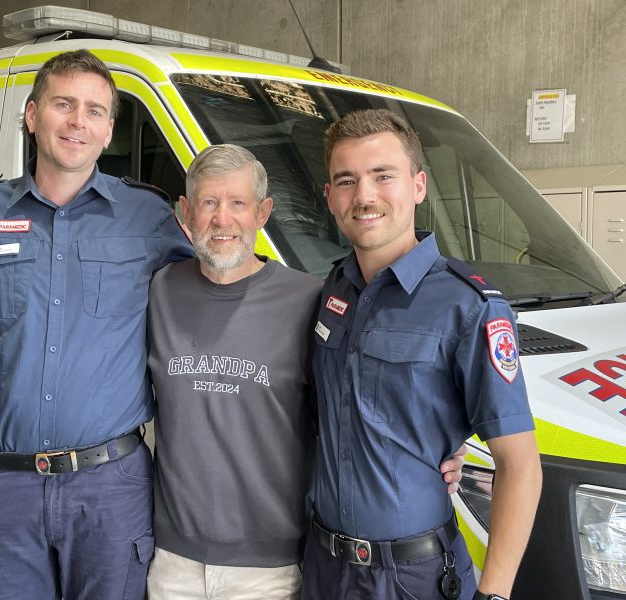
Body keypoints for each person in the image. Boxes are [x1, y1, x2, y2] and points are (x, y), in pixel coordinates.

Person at [0, 50, 193, 599]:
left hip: (110, 487)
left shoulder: (150, 220)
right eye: (63, 104)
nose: (78, 121)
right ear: (31, 114)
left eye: (95, 111)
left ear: (110, 129)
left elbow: (218, 282)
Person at [145, 144, 466, 600]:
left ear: (262, 213)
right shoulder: (158, 290)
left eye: (238, 204)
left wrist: (443, 448)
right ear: (185, 212)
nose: (222, 219)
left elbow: (364, 399)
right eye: (208, 203)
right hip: (173, 563)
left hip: (272, 568)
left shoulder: (311, 301)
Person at [301, 109, 543, 600]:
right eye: (346, 181)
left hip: (413, 578)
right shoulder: (331, 290)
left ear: (418, 185)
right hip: (323, 569)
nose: (364, 196)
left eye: (382, 176)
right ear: (330, 198)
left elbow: (520, 466)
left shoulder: (468, 305)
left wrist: (493, 595)